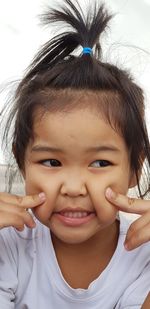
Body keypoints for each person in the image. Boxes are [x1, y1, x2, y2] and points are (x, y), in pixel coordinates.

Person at [0, 0, 150, 307]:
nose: (72, 188)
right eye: (51, 162)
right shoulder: (9, 243)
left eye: (100, 162)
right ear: (22, 163)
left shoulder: (143, 254)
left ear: (135, 167)